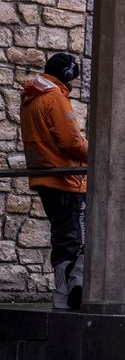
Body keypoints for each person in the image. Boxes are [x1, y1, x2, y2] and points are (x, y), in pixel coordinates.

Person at [20, 53, 88, 310]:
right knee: (78, 237)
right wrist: (101, 153)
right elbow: (72, 141)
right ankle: (72, 288)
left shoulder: (31, 98)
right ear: (67, 74)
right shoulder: (54, 98)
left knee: (63, 236)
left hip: (44, 177)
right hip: (66, 179)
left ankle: (62, 292)